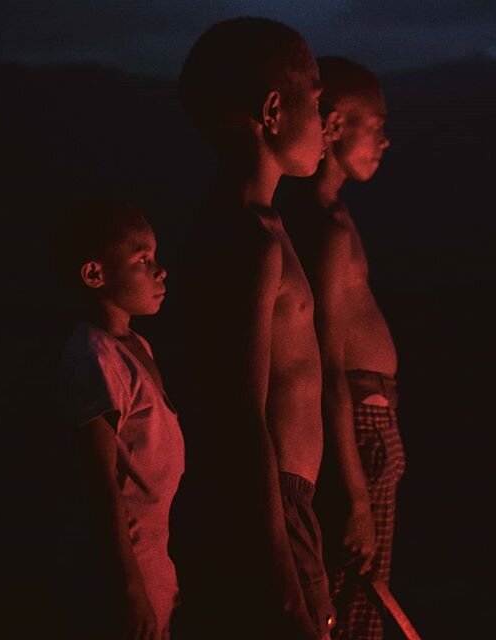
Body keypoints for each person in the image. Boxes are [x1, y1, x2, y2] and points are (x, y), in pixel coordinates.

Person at [173, 17, 334, 639]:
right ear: (273, 110)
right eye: (317, 103)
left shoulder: (259, 226)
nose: (324, 122)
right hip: (272, 512)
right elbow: (239, 415)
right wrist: (284, 580)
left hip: (286, 504)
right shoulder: (246, 236)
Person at [280, 57, 406, 640]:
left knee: (363, 587)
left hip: (373, 419)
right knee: (355, 591)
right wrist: (354, 495)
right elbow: (327, 367)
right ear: (332, 125)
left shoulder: (336, 216)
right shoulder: (321, 227)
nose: (384, 138)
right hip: (358, 424)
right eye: (373, 124)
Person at [57, 201, 184, 639]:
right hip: (124, 572)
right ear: (95, 275)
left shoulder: (137, 348)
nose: (159, 271)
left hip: (152, 562)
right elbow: (101, 486)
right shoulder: (94, 358)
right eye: (142, 260)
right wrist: (131, 590)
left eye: (156, 257)